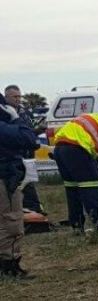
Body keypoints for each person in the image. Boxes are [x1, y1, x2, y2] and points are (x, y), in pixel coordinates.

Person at [53, 109, 98, 230]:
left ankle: (77, 225)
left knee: (73, 189)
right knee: (91, 187)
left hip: (60, 150)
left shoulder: (93, 118)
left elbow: (90, 149)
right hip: (76, 150)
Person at [0, 93, 38, 277]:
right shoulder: (4, 128)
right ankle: (9, 265)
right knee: (11, 221)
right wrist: (16, 119)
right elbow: (29, 139)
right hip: (5, 178)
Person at [4, 84, 45, 213]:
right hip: (14, 157)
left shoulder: (24, 112)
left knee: (29, 183)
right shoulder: (5, 113)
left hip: (28, 155)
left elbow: (27, 132)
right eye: (15, 96)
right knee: (17, 186)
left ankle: (34, 210)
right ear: (6, 97)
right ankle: (30, 211)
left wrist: (37, 130)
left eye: (19, 96)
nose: (18, 99)